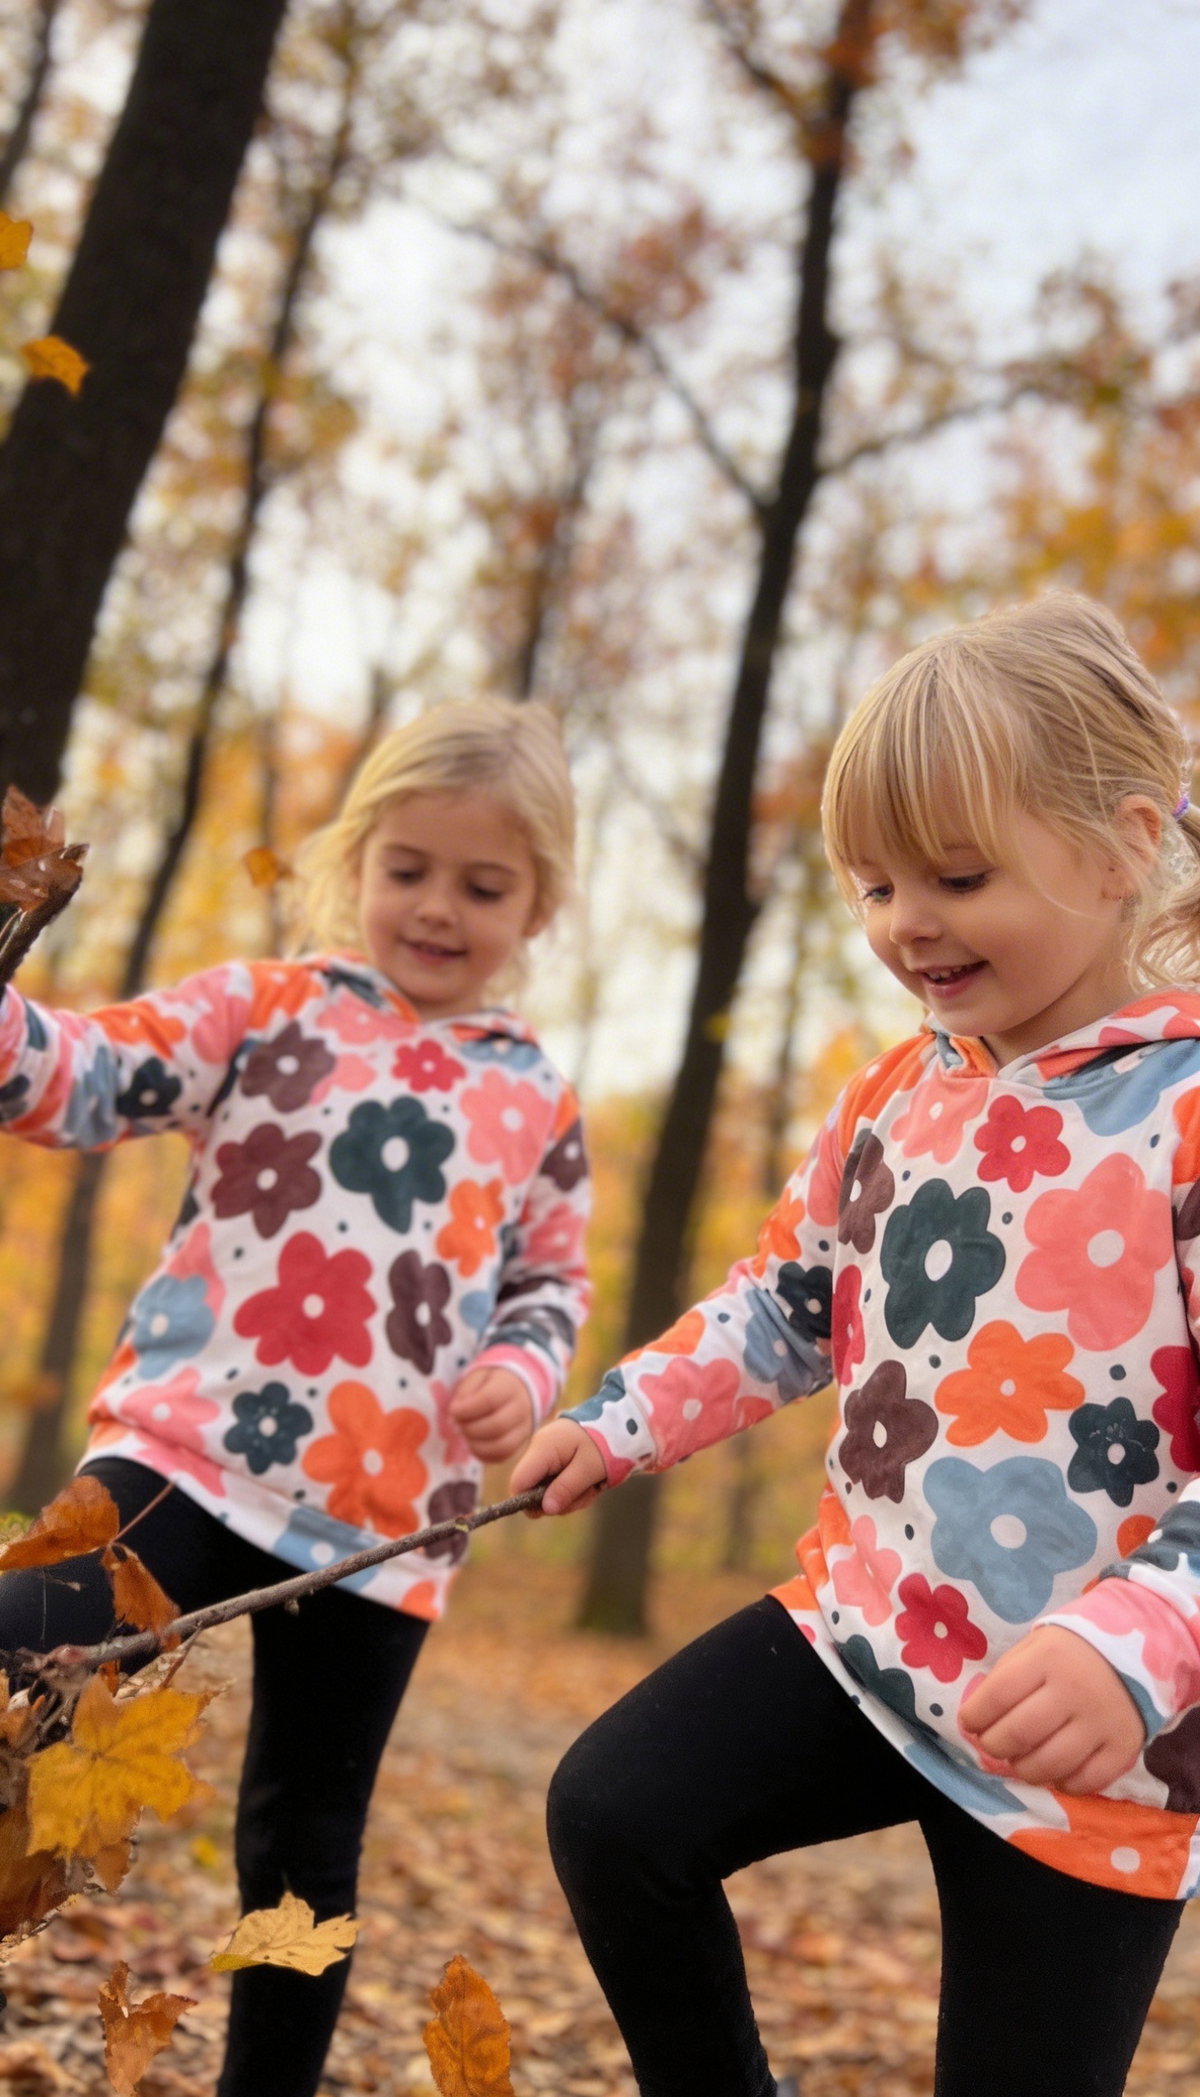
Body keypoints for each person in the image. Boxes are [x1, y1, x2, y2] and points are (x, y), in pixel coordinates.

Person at [512, 593, 1200, 2097]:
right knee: (618, 1814)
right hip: (864, 1632)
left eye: (958, 875)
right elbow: (781, 1304)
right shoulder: (897, 1094)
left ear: (1123, 846)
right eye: (875, 885)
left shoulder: (1186, 1111)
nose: (906, 924)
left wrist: (1137, 1645)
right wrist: (623, 1417)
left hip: (1085, 1736)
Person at [0, 695, 590, 2097]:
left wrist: (521, 1372)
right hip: (186, 1455)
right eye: (409, 868)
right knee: (24, 1650)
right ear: (357, 856)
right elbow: (92, 1073)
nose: (437, 907)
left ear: (538, 906)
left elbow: (550, 1285)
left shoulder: (538, 1098)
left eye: (482, 886)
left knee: (302, 1841)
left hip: (383, 1526)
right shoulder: (268, 1008)